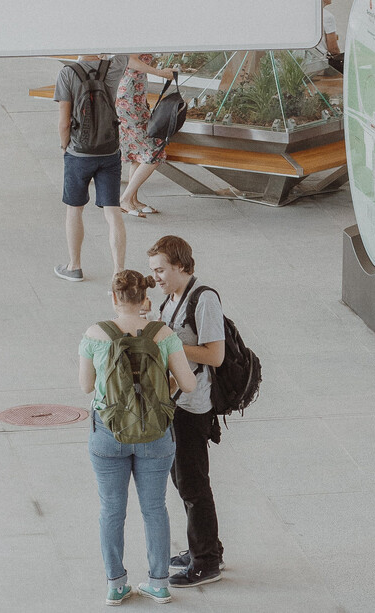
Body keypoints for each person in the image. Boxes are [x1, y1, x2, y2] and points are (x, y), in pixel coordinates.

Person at [78, 270, 196, 605]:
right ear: (145, 300)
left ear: (114, 298)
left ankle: (116, 584)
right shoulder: (163, 333)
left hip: (107, 432)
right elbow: (188, 384)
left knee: (111, 509)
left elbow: (86, 386)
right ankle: (158, 583)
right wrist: (165, 389)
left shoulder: (94, 334)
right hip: (156, 434)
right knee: (155, 508)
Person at [147, 236, 227, 588]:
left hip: (194, 406)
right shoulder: (173, 297)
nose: (156, 277)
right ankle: (206, 548)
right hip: (175, 402)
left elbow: (215, 355)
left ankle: (206, 562)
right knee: (182, 480)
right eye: (153, 271)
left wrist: (170, 342)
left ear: (180, 265)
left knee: (193, 484)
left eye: (161, 269)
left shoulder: (203, 298)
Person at [54, 54, 130, 282]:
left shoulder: (68, 73)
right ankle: (118, 273)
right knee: (113, 211)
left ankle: (74, 267)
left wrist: (65, 146)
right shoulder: (113, 67)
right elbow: (125, 49)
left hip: (79, 152)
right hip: (109, 150)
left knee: (74, 209)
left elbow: (64, 121)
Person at [116, 54, 182, 217]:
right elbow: (129, 59)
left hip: (135, 96)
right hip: (129, 99)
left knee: (140, 152)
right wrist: (160, 73)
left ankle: (133, 200)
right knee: (154, 151)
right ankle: (124, 199)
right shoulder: (137, 34)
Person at [317, 0, 344, 74]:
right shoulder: (327, 16)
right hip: (321, 66)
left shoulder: (303, 13)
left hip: (303, 64)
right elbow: (333, 49)